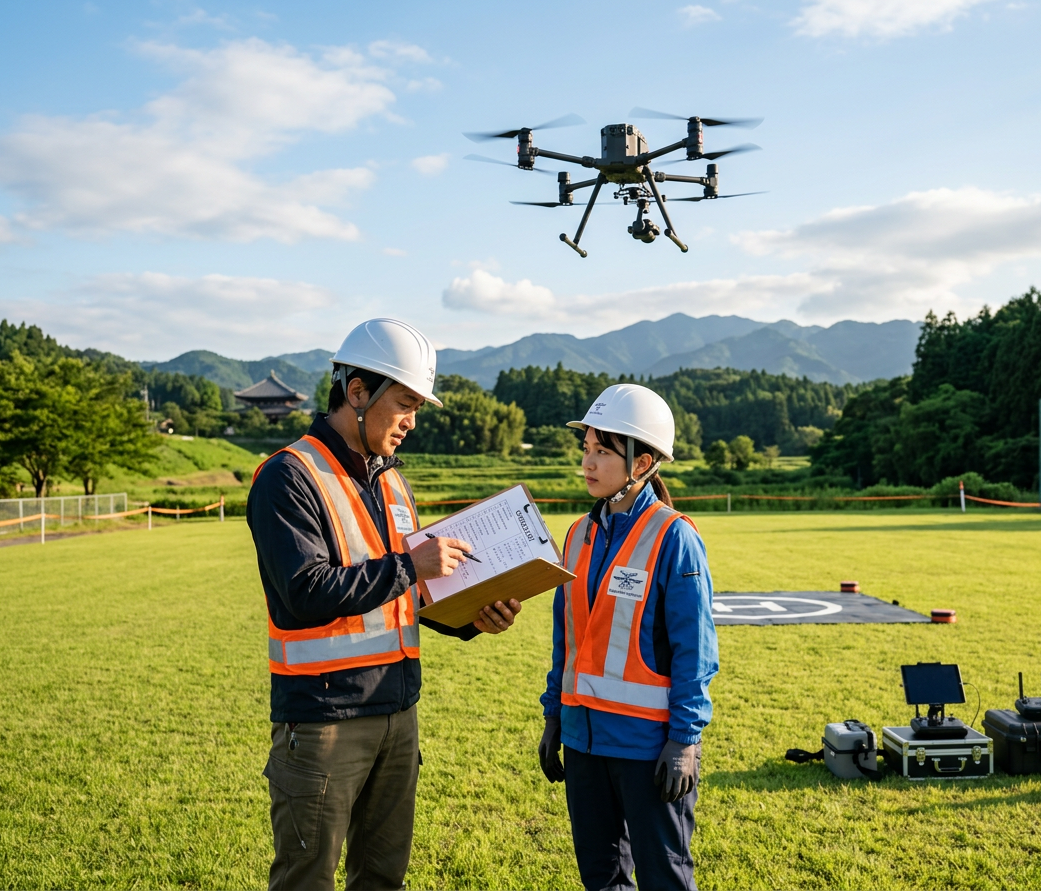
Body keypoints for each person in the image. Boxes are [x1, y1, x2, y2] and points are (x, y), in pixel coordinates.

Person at [247, 318, 521, 891]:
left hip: (398, 714)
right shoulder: (287, 477)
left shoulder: (393, 481)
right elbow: (304, 594)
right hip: (324, 721)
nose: (411, 423)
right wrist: (409, 567)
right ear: (356, 392)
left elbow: (412, 594)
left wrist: (473, 616)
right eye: (404, 404)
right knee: (308, 880)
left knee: (382, 878)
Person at [539, 384, 719, 891]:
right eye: (586, 450)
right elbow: (567, 641)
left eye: (602, 452)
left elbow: (696, 652)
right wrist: (555, 715)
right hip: (584, 744)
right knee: (601, 877)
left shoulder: (674, 537)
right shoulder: (577, 534)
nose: (588, 464)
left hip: (649, 748)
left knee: (664, 879)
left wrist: (685, 741)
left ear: (642, 464)